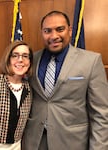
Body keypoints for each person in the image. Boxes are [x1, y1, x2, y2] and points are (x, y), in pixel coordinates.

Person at [22, 10, 108, 150]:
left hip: (72, 142)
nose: (54, 36)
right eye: (47, 31)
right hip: (35, 142)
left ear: (70, 30)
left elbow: (101, 114)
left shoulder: (91, 61)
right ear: (42, 33)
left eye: (60, 29)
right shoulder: (30, 60)